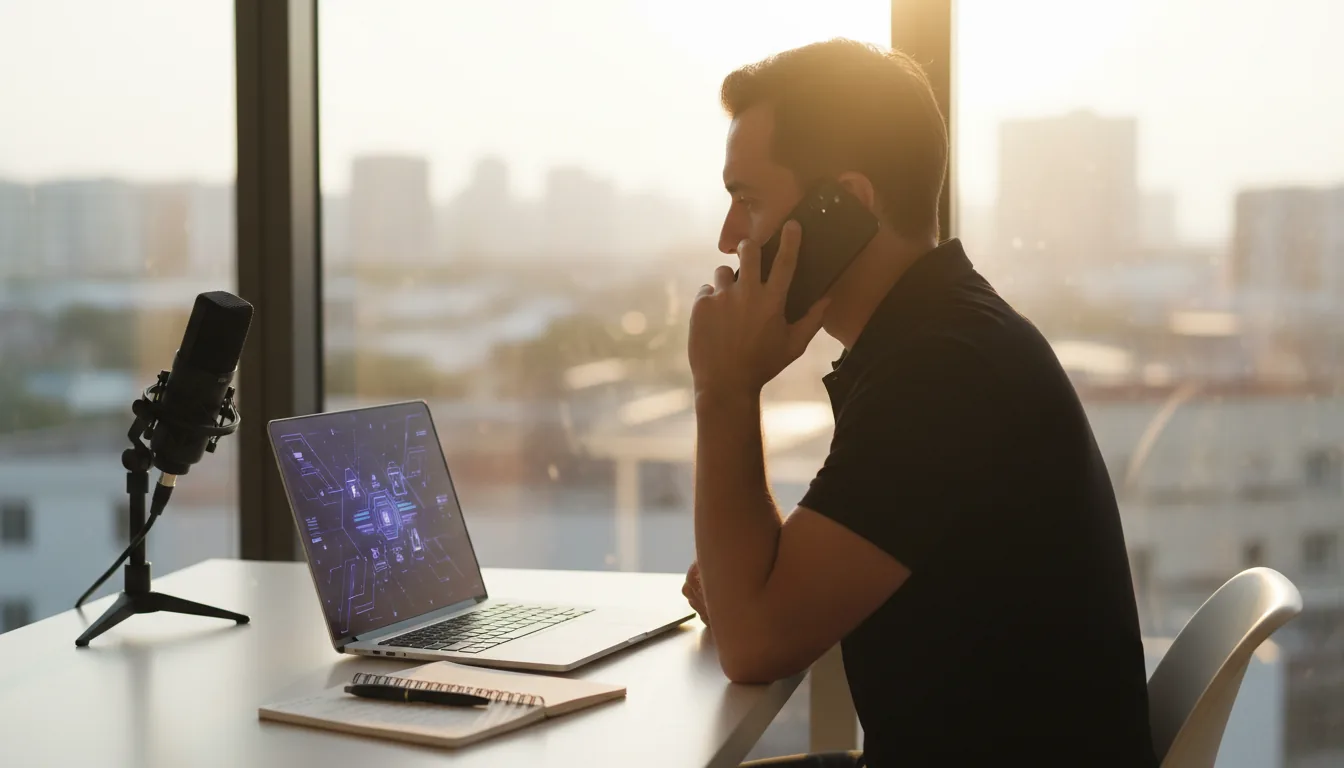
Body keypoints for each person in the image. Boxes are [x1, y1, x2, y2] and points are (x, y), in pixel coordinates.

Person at [683, 39, 1157, 766]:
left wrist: (725, 389)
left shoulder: (944, 374)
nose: (727, 237)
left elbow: (753, 644)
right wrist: (748, 587)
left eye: (746, 200)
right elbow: (764, 606)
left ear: (846, 205)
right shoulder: (940, 338)